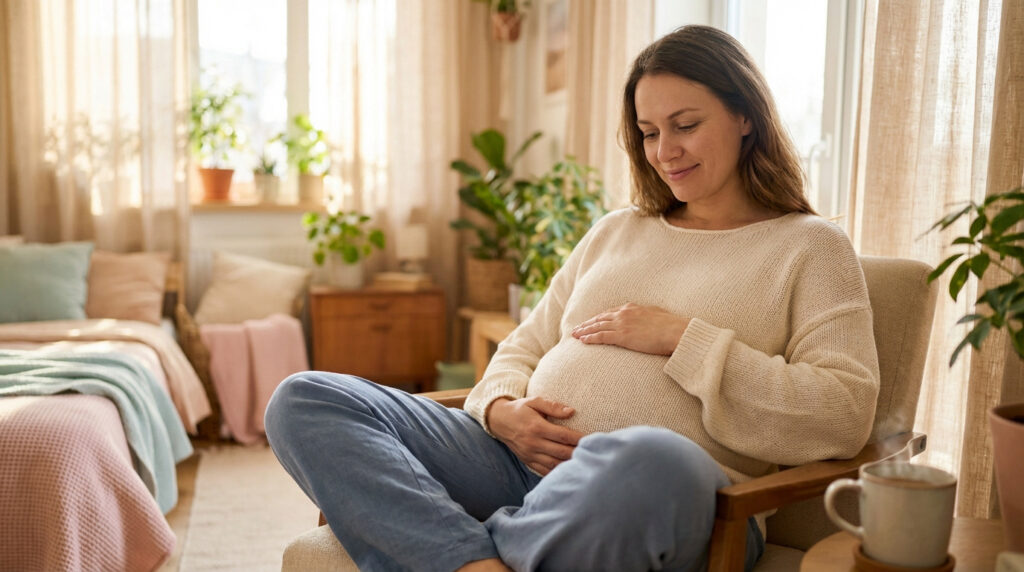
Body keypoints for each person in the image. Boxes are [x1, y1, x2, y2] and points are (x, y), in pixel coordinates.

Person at [265, 25, 880, 572]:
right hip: (508, 464)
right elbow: (523, 346)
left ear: (746, 115)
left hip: (667, 496)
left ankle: (460, 546)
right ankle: (475, 562)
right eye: (648, 132)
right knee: (305, 398)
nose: (665, 151)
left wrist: (680, 338)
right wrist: (501, 408)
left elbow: (844, 412)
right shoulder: (617, 230)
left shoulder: (810, 247)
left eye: (686, 125)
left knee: (652, 458)